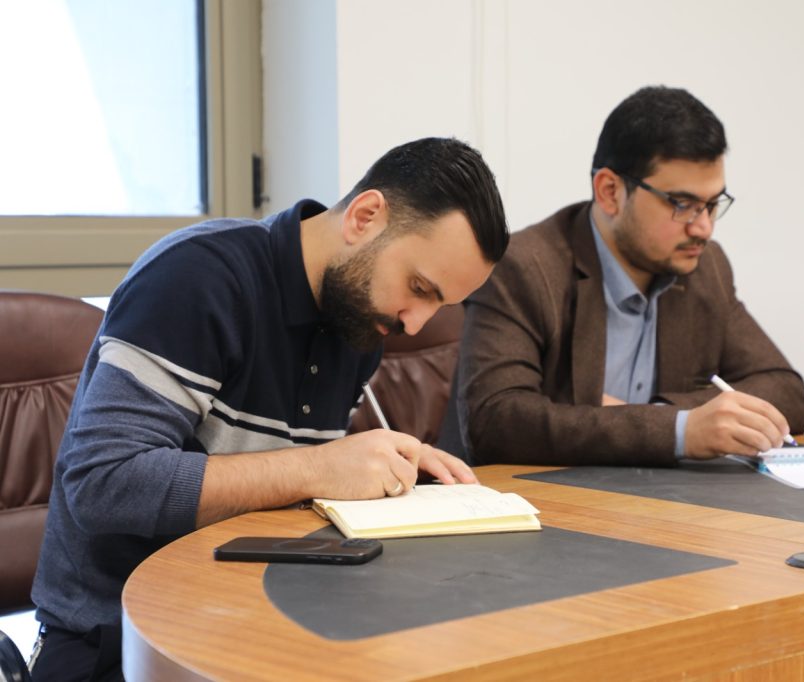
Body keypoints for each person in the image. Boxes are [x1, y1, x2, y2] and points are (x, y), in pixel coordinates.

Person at [29, 137, 509, 681]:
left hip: (254, 621)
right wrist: (319, 468)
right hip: (117, 641)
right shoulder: (196, 278)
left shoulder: (358, 323)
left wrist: (388, 476)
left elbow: (278, 493)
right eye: (418, 287)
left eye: (439, 305)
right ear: (365, 217)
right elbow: (102, 484)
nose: (416, 324)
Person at [443, 86, 804, 467]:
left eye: (713, 204)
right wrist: (679, 429)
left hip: (654, 496)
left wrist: (668, 418)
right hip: (537, 496)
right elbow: (496, 422)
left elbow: (787, 391)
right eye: (682, 204)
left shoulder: (706, 267)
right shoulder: (524, 267)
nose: (703, 228)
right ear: (610, 192)